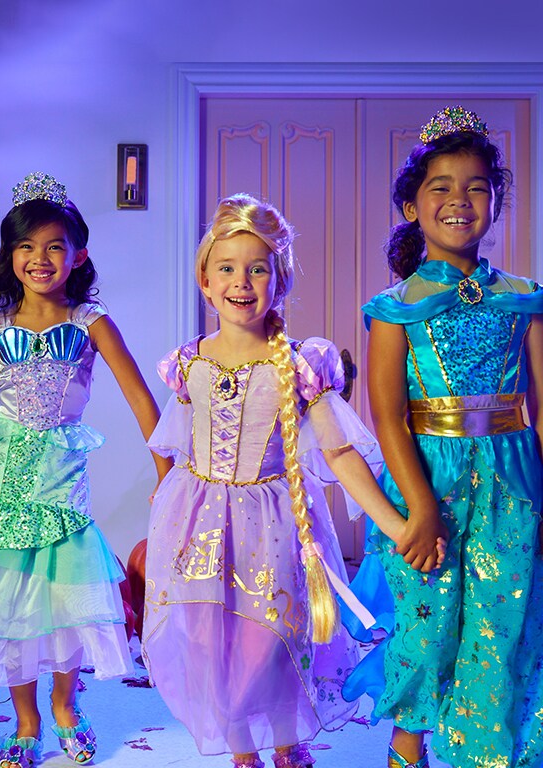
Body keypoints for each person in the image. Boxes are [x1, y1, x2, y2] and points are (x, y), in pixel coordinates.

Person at [141, 193, 412, 768]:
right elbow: (177, 443)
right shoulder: (188, 363)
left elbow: (338, 453)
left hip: (274, 524)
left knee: (270, 641)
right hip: (199, 522)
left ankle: (287, 742)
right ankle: (243, 751)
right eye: (228, 268)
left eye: (258, 268)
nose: (242, 281)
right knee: (212, 641)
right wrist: (165, 501)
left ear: (279, 280)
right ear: (206, 282)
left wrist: (393, 521)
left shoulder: (300, 362)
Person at [0, 172, 171, 768]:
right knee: (11, 593)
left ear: (78, 254)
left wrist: (168, 471)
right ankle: (26, 719)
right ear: (9, 256)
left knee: (63, 592)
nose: (40, 259)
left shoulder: (90, 321)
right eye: (26, 248)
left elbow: (142, 398)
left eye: (54, 246)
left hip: (62, 472)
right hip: (7, 471)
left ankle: (66, 705)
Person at [341, 106, 543, 768]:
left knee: (502, 625)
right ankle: (407, 748)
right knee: (428, 626)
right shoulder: (394, 308)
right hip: (429, 479)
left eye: (478, 186)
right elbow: (387, 415)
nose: (461, 200)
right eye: (442, 187)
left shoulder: (523, 298)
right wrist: (421, 506)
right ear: (410, 206)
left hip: (513, 481)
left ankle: (485, 756)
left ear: (497, 202)